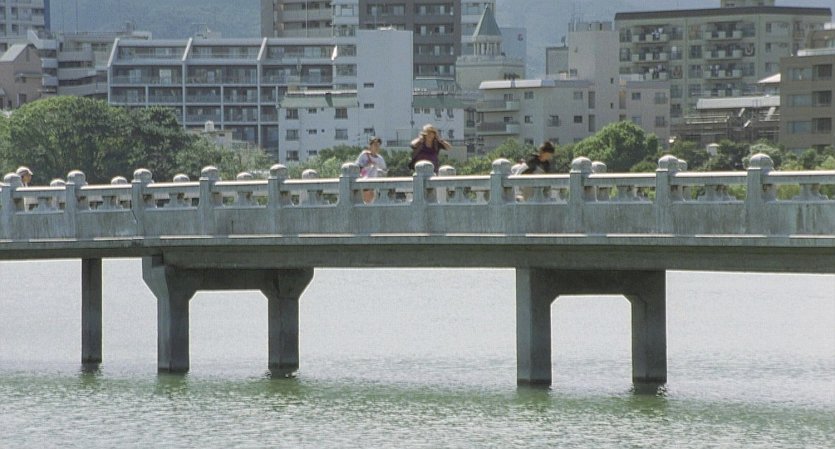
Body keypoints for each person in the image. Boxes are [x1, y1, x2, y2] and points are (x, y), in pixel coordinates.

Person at [355, 136, 387, 203]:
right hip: (363, 182)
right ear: (370, 146)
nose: (377, 147)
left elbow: (384, 172)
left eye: (378, 146)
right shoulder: (364, 155)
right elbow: (356, 167)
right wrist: (366, 165)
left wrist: (379, 171)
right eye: (375, 145)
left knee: (370, 202)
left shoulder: (380, 159)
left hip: (374, 184)